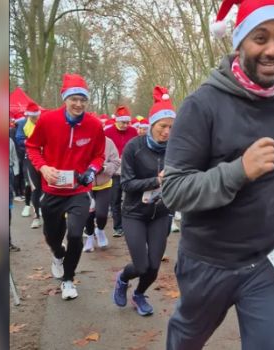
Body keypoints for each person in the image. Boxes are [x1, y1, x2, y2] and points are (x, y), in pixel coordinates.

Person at [162, 0, 274, 348]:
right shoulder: (202, 105)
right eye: (260, 38)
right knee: (186, 339)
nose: (272, 50)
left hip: (268, 256)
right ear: (239, 42)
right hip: (208, 261)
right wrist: (238, 172)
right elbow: (173, 190)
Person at [25, 73, 105, 300]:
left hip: (78, 191)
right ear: (65, 98)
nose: (78, 104)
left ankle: (68, 279)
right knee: (52, 236)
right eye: (74, 99)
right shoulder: (48, 120)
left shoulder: (94, 125)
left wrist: (91, 170)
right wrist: (43, 168)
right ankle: (57, 254)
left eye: (83, 99)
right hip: (52, 190)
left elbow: (99, 155)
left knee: (76, 235)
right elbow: (32, 147)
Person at [112, 86, 176, 316]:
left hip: (160, 213)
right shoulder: (134, 147)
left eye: (171, 127)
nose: (167, 132)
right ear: (151, 125)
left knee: (154, 268)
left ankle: (139, 294)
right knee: (141, 266)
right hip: (134, 214)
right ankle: (122, 279)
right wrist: (156, 181)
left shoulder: (176, 149)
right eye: (162, 127)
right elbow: (126, 184)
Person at [104, 105, 139, 237]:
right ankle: (118, 227)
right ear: (116, 120)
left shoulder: (133, 132)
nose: (125, 125)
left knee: (131, 199)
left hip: (130, 170)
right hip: (114, 172)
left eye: (127, 122)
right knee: (115, 200)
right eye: (122, 122)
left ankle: (132, 224)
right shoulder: (108, 132)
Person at [82, 135, 120, 251]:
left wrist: (103, 168)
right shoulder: (79, 141)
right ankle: (89, 237)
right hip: (85, 185)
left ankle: (100, 230)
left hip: (104, 184)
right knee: (88, 214)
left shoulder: (108, 142)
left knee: (102, 214)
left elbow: (116, 162)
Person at [15, 102, 42, 228]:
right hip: (31, 159)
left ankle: (52, 214)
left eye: (36, 117)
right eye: (33, 117)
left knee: (50, 188)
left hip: (47, 159)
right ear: (29, 116)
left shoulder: (44, 121)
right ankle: (36, 216)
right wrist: (31, 143)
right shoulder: (22, 123)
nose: (35, 120)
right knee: (35, 188)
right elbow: (19, 139)